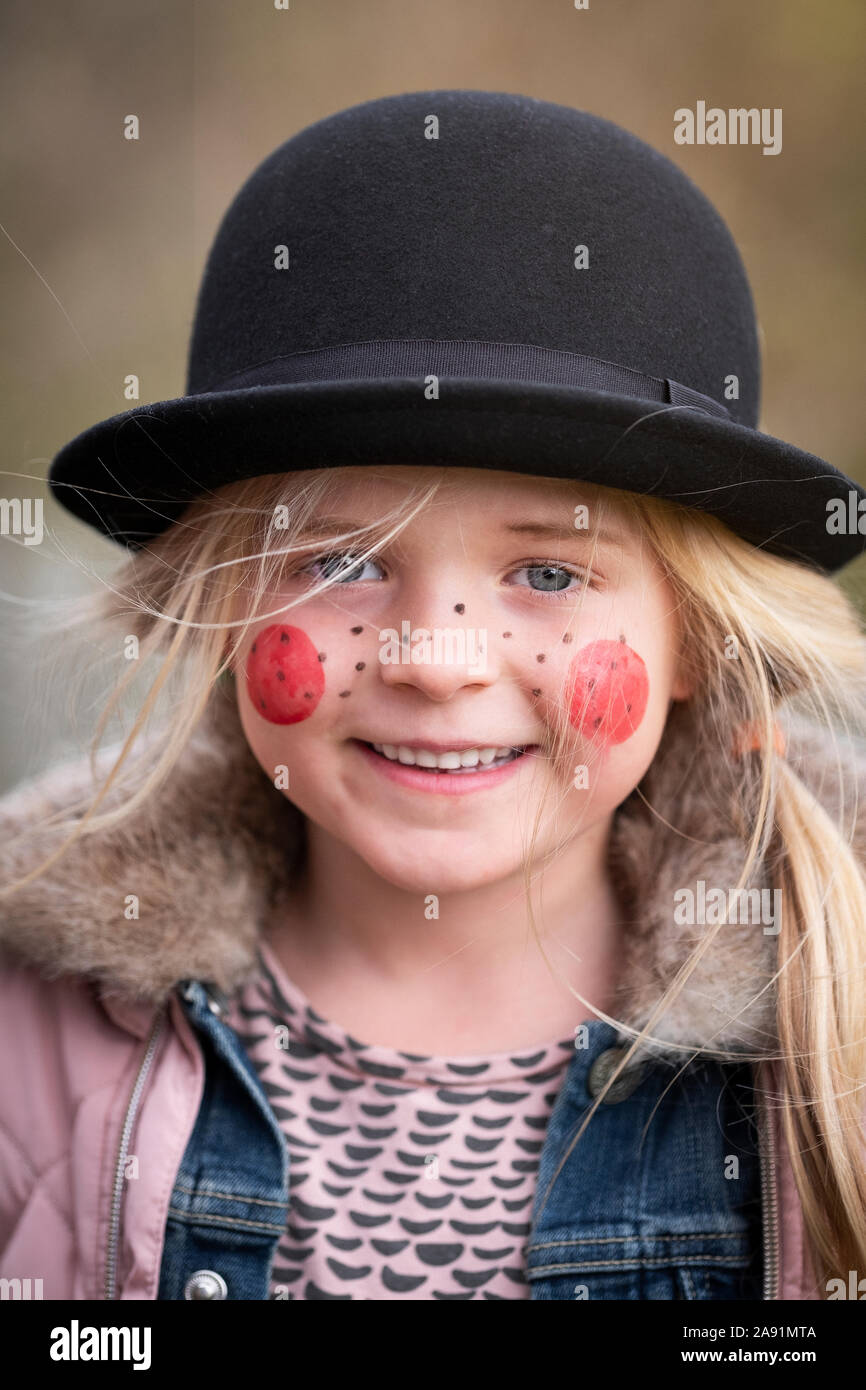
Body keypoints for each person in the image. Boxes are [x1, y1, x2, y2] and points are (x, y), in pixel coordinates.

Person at [1, 90, 865, 1302]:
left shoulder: (834, 1042)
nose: (433, 657)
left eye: (550, 572)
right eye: (339, 563)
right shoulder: (32, 1038)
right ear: (216, 605)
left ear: (695, 642)